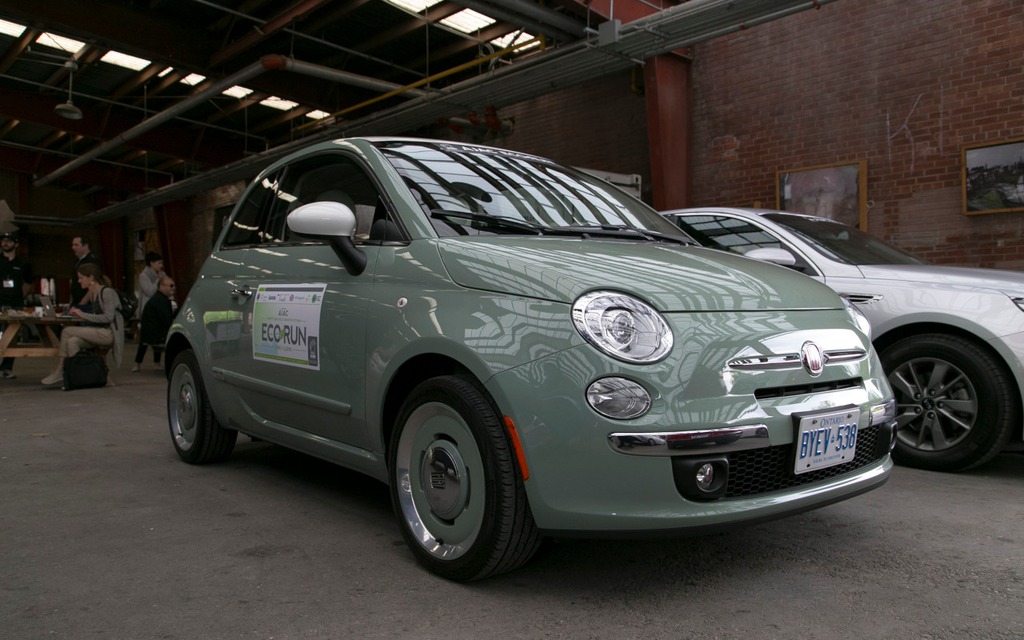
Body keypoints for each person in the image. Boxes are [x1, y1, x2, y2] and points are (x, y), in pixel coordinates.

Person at [41, 262, 124, 386]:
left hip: (108, 333)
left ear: (91, 278)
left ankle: (60, 369)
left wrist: (82, 314)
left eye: (81, 278)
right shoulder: (92, 293)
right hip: (98, 331)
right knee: (72, 341)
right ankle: (81, 375)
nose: (79, 281)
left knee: (67, 331)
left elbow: (108, 317)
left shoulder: (107, 293)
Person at [1, 230, 32, 379]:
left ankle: (6, 368)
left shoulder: (23, 263)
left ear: (16, 244)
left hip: (15, 304)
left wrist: (20, 297)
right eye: (3, 241)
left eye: (9, 241)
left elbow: (28, 283)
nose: (5, 243)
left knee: (12, 336)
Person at [133, 275, 175, 372]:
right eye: (171, 286)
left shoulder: (157, 299)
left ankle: (145, 363)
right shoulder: (161, 301)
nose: (173, 288)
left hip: (148, 334)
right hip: (156, 335)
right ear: (161, 286)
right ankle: (168, 364)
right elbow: (166, 320)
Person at [70, 235, 101, 312]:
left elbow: (94, 283)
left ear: (85, 246)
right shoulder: (78, 261)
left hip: (86, 303)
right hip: (77, 301)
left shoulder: (92, 261)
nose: (73, 247)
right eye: (73, 245)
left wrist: (82, 303)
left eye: (76, 245)